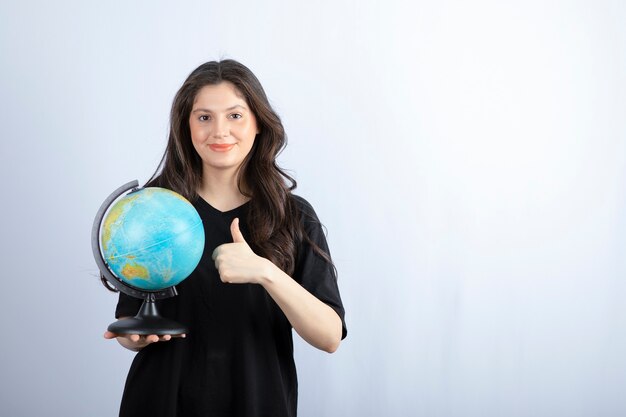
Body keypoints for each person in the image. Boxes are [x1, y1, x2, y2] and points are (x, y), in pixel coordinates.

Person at [102, 59, 347, 417]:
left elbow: (329, 337)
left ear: (258, 123)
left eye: (235, 116)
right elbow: (129, 323)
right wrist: (133, 337)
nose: (219, 131)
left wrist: (265, 272)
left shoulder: (293, 215)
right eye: (204, 117)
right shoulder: (155, 209)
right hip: (161, 402)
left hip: (258, 403)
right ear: (186, 126)